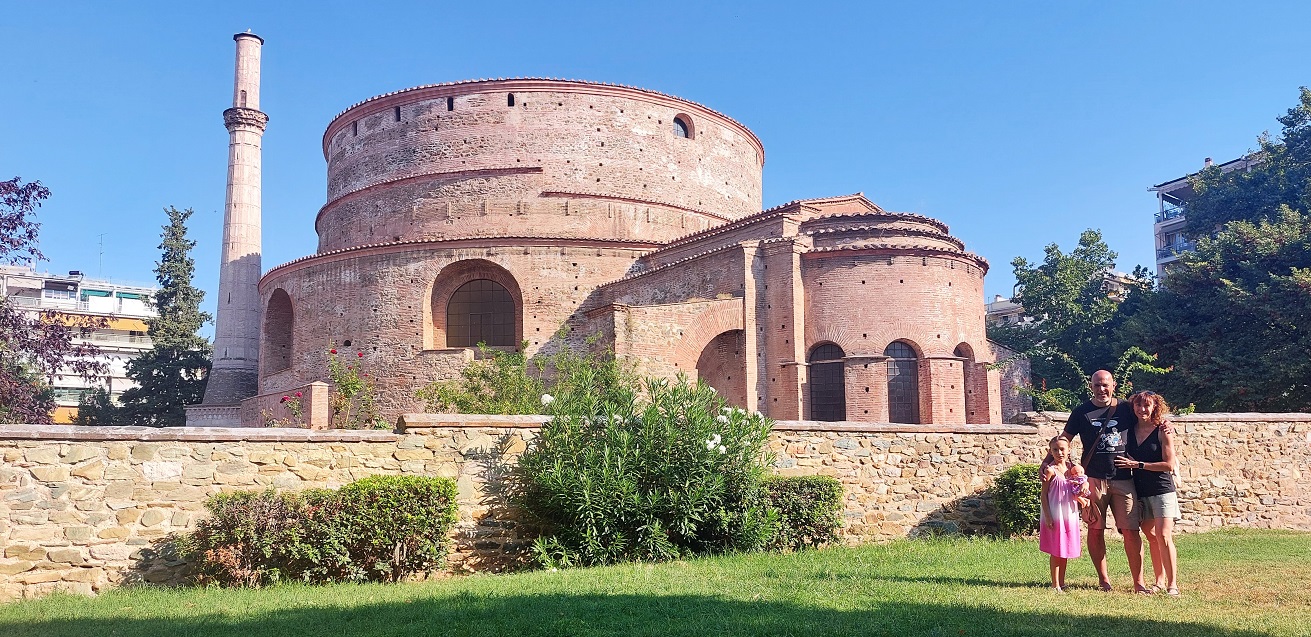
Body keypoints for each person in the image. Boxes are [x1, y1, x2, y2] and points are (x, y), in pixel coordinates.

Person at [1060, 370, 1149, 593]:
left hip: (1123, 479)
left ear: (1114, 385)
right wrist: (1067, 464)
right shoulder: (1081, 412)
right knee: (1095, 529)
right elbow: (1064, 439)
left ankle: (1139, 583)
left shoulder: (1126, 409)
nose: (1102, 389)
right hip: (1093, 479)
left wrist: (1165, 425)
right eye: (1097, 385)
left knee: (1131, 531)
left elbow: (1149, 418)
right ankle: (1104, 580)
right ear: (1091, 386)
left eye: (1105, 385)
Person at [1116, 391, 1181, 597]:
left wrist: (1137, 464)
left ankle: (1173, 585)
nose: (1142, 409)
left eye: (1147, 405)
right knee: (1151, 536)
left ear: (1155, 407)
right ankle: (1159, 581)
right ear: (1133, 407)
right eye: (1138, 405)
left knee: (1163, 535)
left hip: (1162, 490)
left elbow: (1169, 465)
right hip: (1140, 491)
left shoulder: (1163, 430)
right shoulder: (1128, 431)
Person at [1039, 436, 1083, 591]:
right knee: (1056, 550)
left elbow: (1078, 490)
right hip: (1055, 513)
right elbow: (1043, 495)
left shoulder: (1073, 470)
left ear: (1069, 450)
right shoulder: (1050, 471)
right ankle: (1055, 583)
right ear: (1050, 452)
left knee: (1064, 549)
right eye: (1055, 450)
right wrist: (1048, 516)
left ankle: (1062, 582)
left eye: (1062, 449)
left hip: (1069, 514)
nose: (1059, 452)